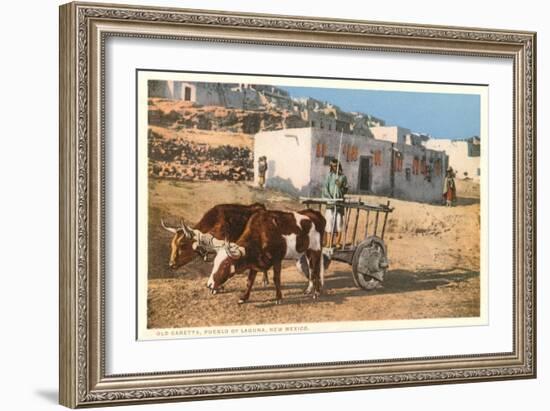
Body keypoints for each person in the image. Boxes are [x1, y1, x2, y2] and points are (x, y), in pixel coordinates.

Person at [322, 158, 348, 247]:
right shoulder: (329, 176)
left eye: (336, 166)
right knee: (329, 222)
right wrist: (330, 197)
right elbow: (325, 188)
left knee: (338, 223)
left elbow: (345, 189)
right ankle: (328, 243)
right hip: (330, 203)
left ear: (339, 166)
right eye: (333, 166)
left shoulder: (343, 177)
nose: (334, 168)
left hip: (339, 203)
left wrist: (340, 186)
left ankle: (337, 242)